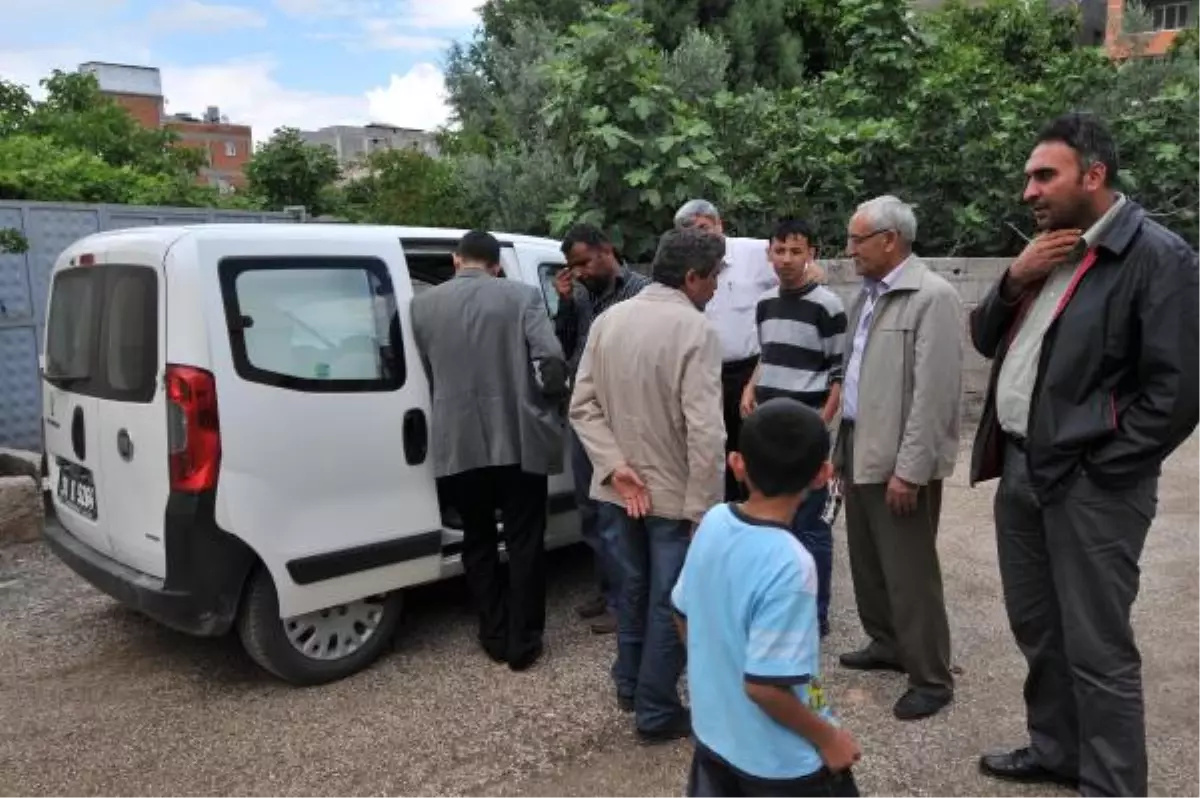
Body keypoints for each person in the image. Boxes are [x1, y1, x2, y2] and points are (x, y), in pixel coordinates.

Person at [969, 113, 1200, 797]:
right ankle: (1056, 751)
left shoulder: (1159, 258)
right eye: (1027, 177)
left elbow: (1178, 392)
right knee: (1040, 629)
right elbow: (986, 338)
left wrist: (1102, 469)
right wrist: (1013, 279)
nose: (1029, 191)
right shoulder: (1047, 251)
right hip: (1021, 470)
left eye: (1044, 175)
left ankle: (1112, 784)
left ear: (1093, 176)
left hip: (1091, 486)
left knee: (1098, 647)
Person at [570, 227, 726, 742]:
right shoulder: (694, 330)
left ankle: (631, 685)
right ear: (692, 276)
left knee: (632, 590)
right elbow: (706, 430)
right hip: (673, 497)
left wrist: (614, 466)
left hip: (620, 491)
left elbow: (582, 406)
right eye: (715, 277)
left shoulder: (609, 320)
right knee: (671, 600)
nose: (717, 288)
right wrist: (705, 511)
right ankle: (656, 709)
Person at [674, 399, 861, 798]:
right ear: (822, 476)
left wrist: (716, 673)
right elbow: (765, 687)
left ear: (737, 463)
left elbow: (682, 612)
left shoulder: (713, 522)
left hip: (715, 738)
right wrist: (828, 739)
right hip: (778, 765)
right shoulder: (791, 564)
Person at [411, 230, 568, 671]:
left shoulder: (421, 306)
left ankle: (493, 631)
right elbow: (551, 357)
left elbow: (428, 372)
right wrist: (552, 399)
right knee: (524, 539)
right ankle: (524, 641)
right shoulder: (521, 298)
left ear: (456, 260)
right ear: (496, 264)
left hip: (457, 440)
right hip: (517, 438)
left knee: (477, 539)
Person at [833, 195, 963, 721]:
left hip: (897, 464)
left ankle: (931, 676)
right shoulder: (867, 297)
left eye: (857, 239)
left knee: (910, 574)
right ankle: (886, 642)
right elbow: (854, 381)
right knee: (867, 563)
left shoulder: (933, 297)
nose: (849, 251)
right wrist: (840, 453)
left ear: (890, 239)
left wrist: (909, 470)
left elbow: (934, 396)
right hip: (861, 449)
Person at [741, 218, 847, 638]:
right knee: (771, 525)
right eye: (779, 250)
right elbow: (767, 354)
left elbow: (838, 375)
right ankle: (777, 606)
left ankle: (815, 614)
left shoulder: (829, 306)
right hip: (767, 432)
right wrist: (750, 386)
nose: (786, 259)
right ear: (769, 253)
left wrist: (819, 429)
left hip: (807, 434)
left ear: (811, 255)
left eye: (796, 251)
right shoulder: (765, 303)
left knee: (811, 527)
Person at [553, 223, 651, 635]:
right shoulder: (578, 295)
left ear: (606, 250)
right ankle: (606, 587)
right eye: (571, 266)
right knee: (590, 509)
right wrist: (563, 304)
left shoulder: (640, 292)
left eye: (582, 262)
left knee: (618, 512)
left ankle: (624, 600)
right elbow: (564, 344)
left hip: (621, 416)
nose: (577, 272)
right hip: (585, 415)